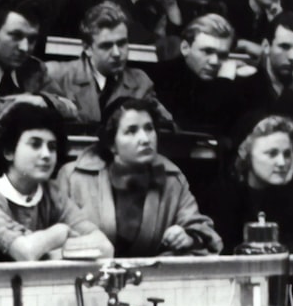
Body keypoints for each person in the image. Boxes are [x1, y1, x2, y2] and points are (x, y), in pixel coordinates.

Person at [0, 103, 112, 263]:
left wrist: (52, 250)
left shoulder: (51, 195)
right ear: (9, 151)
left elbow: (105, 247)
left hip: (15, 289)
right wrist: (61, 232)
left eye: (52, 147)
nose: (46, 154)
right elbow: (26, 251)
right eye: (35, 144)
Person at [57, 97, 221, 257]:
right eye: (131, 131)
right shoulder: (73, 177)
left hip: (150, 279)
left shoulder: (172, 179)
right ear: (111, 143)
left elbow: (203, 230)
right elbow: (54, 235)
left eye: (149, 128)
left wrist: (189, 237)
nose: (145, 139)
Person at [44, 2, 170, 126]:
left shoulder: (141, 82)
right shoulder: (56, 75)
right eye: (106, 46)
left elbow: (165, 128)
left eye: (122, 43)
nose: (116, 53)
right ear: (87, 48)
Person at [202, 115, 293, 252]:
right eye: (272, 153)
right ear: (247, 154)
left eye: (287, 154)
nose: (282, 163)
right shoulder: (222, 198)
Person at [150, 13, 240, 135]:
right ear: (185, 48)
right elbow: (192, 127)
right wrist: (223, 82)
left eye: (222, 55)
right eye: (207, 51)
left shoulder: (230, 80)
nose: (215, 62)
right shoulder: (163, 76)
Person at [236, 11, 293, 131]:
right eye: (284, 47)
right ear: (266, 47)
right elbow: (271, 129)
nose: (292, 56)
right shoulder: (245, 85)